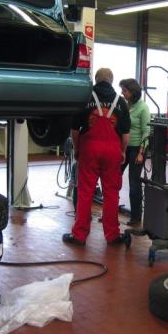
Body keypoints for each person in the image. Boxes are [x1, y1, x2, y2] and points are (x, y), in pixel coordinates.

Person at [63, 68, 131, 246]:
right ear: (111, 80)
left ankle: (79, 235)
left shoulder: (85, 98)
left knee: (85, 192)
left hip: (90, 149)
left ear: (95, 79)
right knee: (111, 193)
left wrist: (77, 148)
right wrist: (122, 151)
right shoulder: (121, 102)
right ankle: (112, 235)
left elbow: (74, 130)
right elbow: (126, 135)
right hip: (112, 150)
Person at [118, 78, 151, 226]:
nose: (122, 93)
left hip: (137, 148)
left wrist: (141, 153)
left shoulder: (143, 108)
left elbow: (146, 132)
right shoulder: (125, 105)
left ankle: (136, 217)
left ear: (132, 91)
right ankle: (110, 211)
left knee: (134, 182)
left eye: (125, 90)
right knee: (114, 177)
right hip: (124, 147)